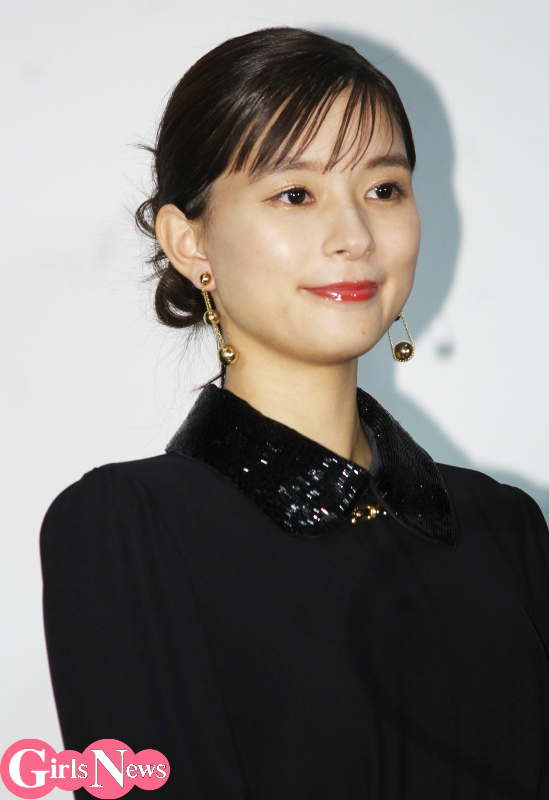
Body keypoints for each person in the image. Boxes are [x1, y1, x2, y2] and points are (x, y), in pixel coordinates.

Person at [40, 26, 549, 799]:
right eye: (295, 194)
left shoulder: (505, 527)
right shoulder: (126, 528)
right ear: (190, 242)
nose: (354, 236)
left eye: (384, 189)